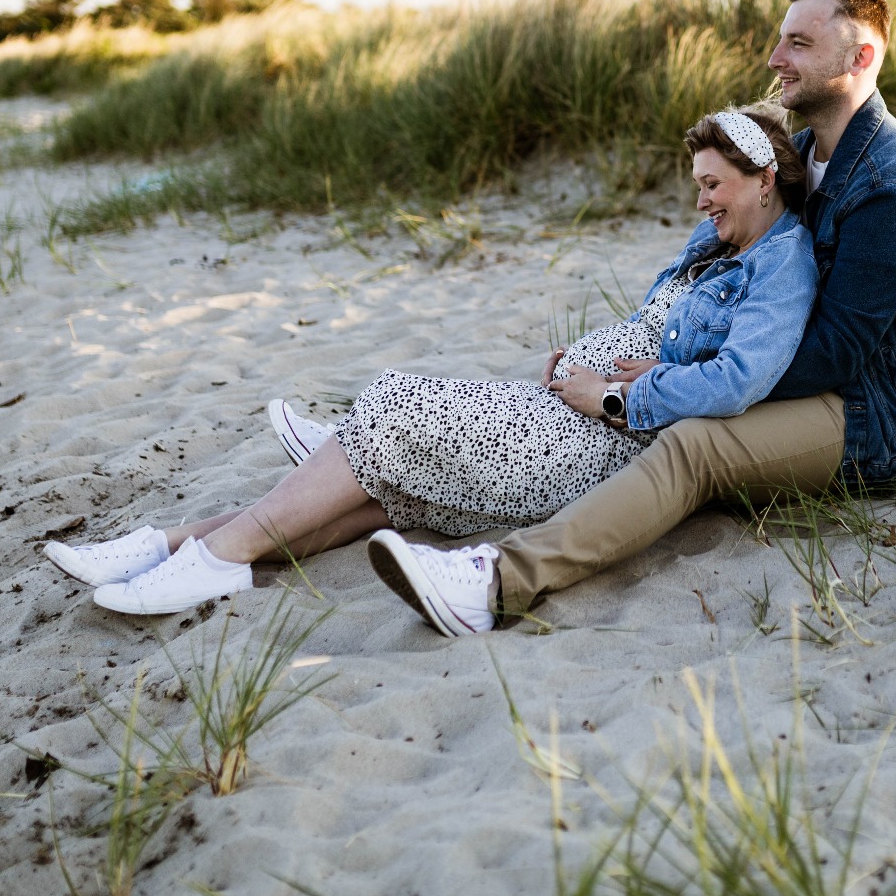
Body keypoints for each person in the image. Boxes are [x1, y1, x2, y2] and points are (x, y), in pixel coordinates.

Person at [365, 0, 896, 635]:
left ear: (861, 57)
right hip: (796, 370)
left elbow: (834, 355)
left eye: (799, 43)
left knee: (694, 444)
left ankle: (499, 580)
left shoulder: (895, 187)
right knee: (616, 395)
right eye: (780, 39)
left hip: (880, 410)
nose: (774, 58)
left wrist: (669, 382)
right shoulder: (802, 153)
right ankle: (387, 451)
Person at [42, 109, 815, 616]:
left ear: (763, 179)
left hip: (602, 446)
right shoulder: (721, 238)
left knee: (394, 402)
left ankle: (218, 553)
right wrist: (594, 361)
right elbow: (662, 328)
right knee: (386, 493)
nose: (701, 201)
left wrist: (611, 395)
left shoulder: (783, 263)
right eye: (698, 185)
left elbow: (738, 380)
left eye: (712, 184)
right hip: (571, 411)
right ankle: (171, 545)